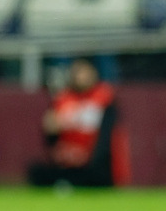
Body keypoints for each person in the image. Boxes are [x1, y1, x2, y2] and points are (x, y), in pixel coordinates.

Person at [27, 58, 129, 188]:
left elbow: (106, 139)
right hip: (67, 162)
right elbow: (52, 140)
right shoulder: (62, 100)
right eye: (77, 72)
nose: (80, 76)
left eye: (84, 72)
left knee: (96, 175)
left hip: (92, 163)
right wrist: (50, 132)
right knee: (37, 172)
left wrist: (89, 158)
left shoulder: (104, 99)